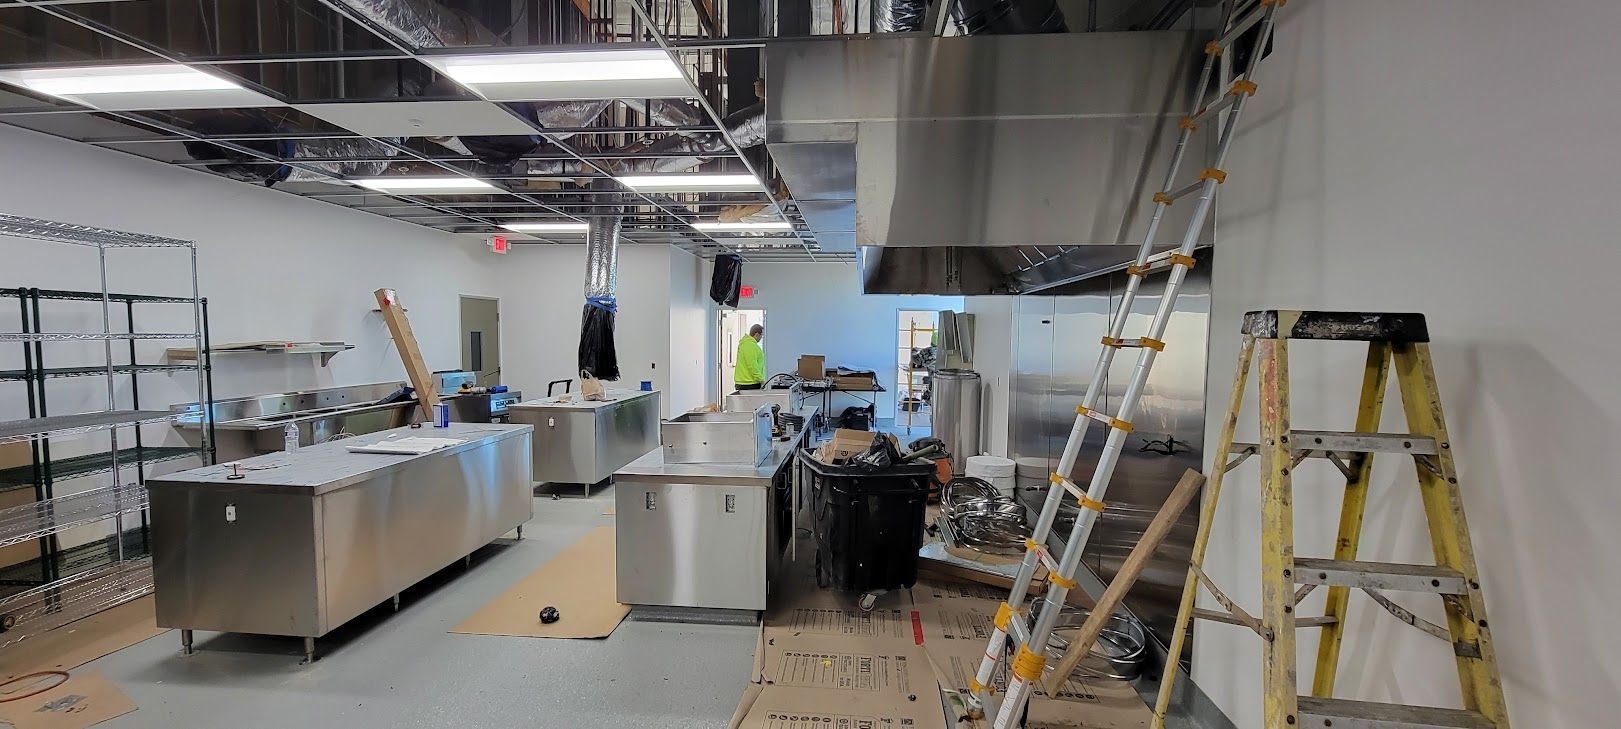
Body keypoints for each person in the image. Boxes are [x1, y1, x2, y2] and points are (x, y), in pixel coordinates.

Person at [734, 323, 765, 390]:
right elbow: (752, 365)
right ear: (757, 334)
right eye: (761, 335)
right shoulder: (750, 346)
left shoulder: (745, 344)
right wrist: (761, 379)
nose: (761, 337)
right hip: (749, 383)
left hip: (745, 382)